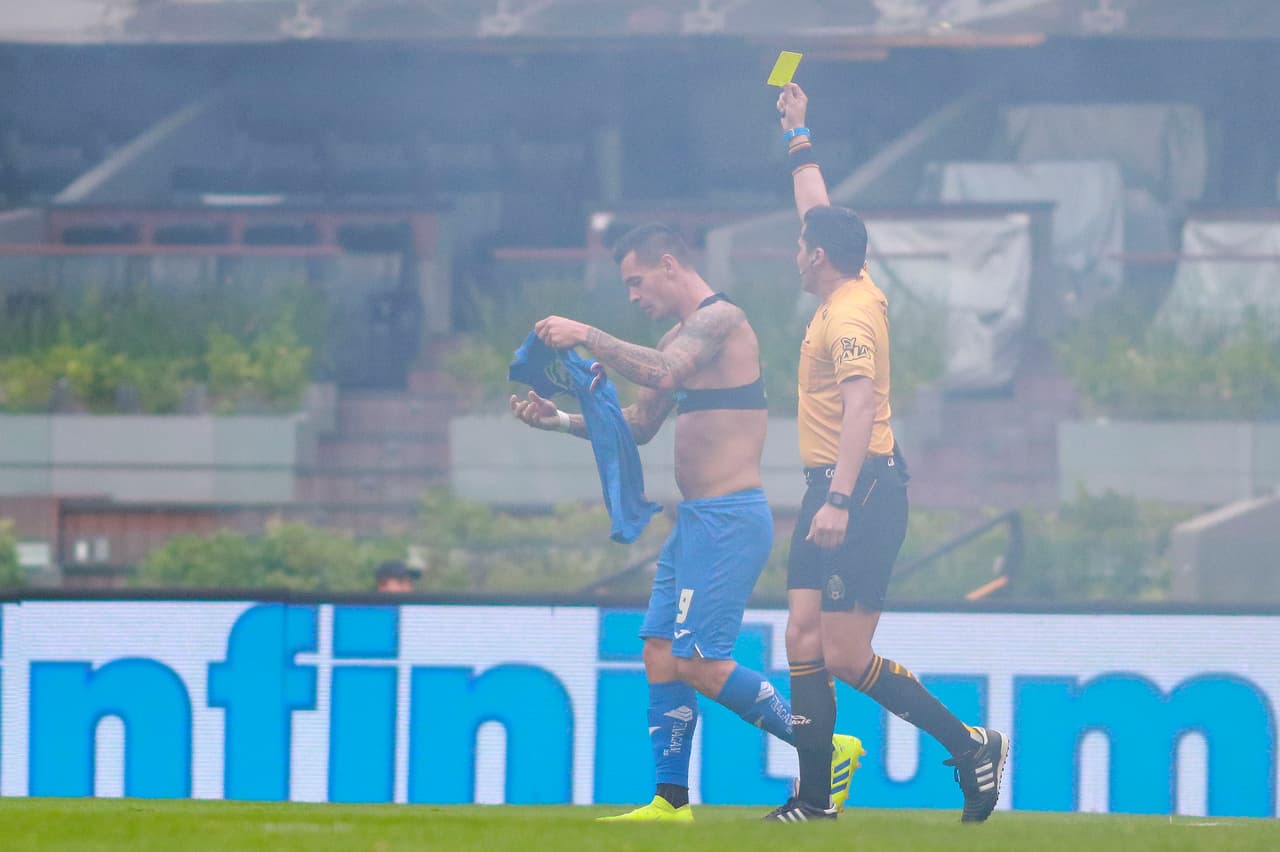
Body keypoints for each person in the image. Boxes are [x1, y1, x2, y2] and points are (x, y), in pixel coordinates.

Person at [510, 223, 862, 822]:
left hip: (729, 519)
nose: (632, 295)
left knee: (700, 661)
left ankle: (826, 746)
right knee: (659, 652)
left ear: (669, 265)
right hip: (696, 521)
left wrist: (585, 333)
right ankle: (671, 801)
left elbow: (664, 372)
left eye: (635, 281)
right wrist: (560, 422)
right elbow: (640, 424)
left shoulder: (720, 321)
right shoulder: (679, 337)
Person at [763, 83, 1009, 824]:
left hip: (860, 489)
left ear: (822, 259)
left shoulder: (849, 317)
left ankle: (970, 744)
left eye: (802, 247)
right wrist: (797, 132)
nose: (795, 252)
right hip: (830, 484)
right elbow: (819, 211)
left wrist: (837, 500)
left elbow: (864, 402)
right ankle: (813, 802)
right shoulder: (848, 273)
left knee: (843, 654)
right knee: (802, 636)